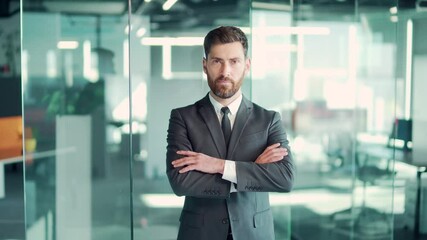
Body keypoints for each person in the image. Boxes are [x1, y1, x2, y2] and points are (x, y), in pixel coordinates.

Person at [166, 26, 294, 240]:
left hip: (255, 233)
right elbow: (181, 182)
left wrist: (216, 165)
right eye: (217, 61)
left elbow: (284, 179)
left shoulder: (269, 120)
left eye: (234, 61)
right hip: (200, 233)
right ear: (205, 65)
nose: (225, 71)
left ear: (247, 65)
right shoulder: (183, 118)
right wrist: (253, 171)